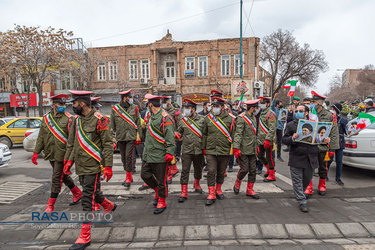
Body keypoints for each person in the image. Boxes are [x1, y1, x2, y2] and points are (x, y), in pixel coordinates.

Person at [64, 91, 116, 250]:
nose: (72, 106)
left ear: (82, 103)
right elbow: (72, 143)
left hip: (94, 166)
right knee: (93, 193)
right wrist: (68, 160)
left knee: (87, 198)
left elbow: (107, 144)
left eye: (74, 103)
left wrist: (108, 166)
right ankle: (109, 205)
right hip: (80, 166)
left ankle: (85, 236)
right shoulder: (76, 121)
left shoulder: (101, 120)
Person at [32, 94, 82, 213]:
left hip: (63, 154)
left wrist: (70, 158)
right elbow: (41, 137)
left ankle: (51, 205)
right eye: (61, 104)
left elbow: (72, 140)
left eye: (64, 104)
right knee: (62, 176)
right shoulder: (46, 118)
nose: (63, 107)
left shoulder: (70, 119)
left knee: (56, 177)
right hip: (51, 153)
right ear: (54, 105)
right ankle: (77, 192)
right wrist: (36, 152)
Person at [141, 94, 176, 214]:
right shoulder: (151, 116)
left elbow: (170, 137)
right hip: (148, 154)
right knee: (144, 175)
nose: (147, 107)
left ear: (150, 104)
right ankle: (156, 191)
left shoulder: (165, 118)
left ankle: (162, 199)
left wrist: (170, 152)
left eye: (148, 105)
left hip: (160, 155)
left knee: (162, 180)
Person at [282, 104, 318, 213]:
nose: (298, 113)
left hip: (310, 158)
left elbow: (318, 140)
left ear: (306, 113)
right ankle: (302, 201)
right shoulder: (290, 125)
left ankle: (299, 193)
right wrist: (292, 138)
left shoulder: (314, 125)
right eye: (296, 111)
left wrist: (324, 140)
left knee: (307, 179)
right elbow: (284, 139)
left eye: (301, 111)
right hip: (296, 157)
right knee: (297, 181)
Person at [304, 91, 339, 197]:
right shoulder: (309, 113)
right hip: (310, 145)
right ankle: (308, 187)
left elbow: (334, 132)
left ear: (319, 103)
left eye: (313, 101)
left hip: (323, 147)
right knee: (309, 167)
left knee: (323, 167)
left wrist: (332, 148)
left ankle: (322, 185)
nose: (311, 103)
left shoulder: (330, 115)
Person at [202, 96, 235, 205]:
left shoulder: (230, 119)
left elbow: (233, 134)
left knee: (221, 172)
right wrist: (204, 148)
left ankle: (218, 189)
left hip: (224, 150)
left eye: (217, 106)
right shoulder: (208, 118)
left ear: (222, 107)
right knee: (211, 171)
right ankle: (211, 192)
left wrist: (234, 148)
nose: (214, 108)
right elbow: (205, 134)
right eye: (213, 106)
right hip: (211, 150)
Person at [111, 89, 142, 189]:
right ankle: (128, 175)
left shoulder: (135, 108)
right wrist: (113, 139)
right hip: (120, 137)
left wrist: (139, 136)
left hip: (131, 136)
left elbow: (138, 123)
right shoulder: (115, 109)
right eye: (130, 97)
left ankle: (128, 178)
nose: (131, 99)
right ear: (125, 98)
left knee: (128, 156)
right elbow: (112, 126)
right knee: (123, 158)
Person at [177, 99, 205, 202]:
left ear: (193, 109)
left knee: (198, 169)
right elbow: (179, 131)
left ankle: (196, 184)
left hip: (198, 150)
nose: (186, 110)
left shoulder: (202, 120)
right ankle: (184, 192)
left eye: (188, 108)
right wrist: (177, 135)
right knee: (185, 170)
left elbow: (205, 134)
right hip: (187, 150)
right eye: (185, 108)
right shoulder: (183, 120)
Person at [233, 99, 260, 199]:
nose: (257, 110)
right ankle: (238, 182)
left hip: (252, 148)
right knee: (244, 169)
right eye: (256, 108)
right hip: (243, 148)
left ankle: (249, 190)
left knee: (253, 170)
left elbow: (254, 134)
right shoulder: (241, 118)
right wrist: (236, 148)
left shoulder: (253, 117)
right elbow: (238, 134)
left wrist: (256, 145)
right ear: (252, 108)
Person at [327, 103, 348, 186]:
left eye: (333, 108)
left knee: (339, 161)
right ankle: (325, 175)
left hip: (340, 143)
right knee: (329, 160)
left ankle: (338, 178)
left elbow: (347, 131)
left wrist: (354, 131)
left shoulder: (343, 120)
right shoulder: (329, 119)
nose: (331, 109)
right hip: (331, 143)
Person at [257, 96, 277, 182]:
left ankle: (272, 174)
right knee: (260, 155)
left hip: (267, 140)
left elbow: (272, 128)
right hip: (260, 139)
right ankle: (269, 169)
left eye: (263, 103)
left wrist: (268, 139)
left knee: (269, 157)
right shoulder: (262, 112)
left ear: (268, 104)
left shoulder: (271, 114)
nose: (261, 105)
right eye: (260, 103)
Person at [161, 96, 181, 179]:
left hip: (173, 135)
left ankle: (171, 171)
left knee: (171, 152)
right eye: (163, 103)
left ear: (169, 103)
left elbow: (180, 123)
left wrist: (178, 133)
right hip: (164, 136)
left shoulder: (176, 111)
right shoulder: (162, 112)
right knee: (168, 153)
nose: (163, 105)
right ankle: (173, 169)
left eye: (165, 103)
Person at [271, 93, 285, 162]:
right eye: (280, 103)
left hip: (280, 128)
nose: (281, 105)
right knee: (273, 142)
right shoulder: (274, 109)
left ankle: (279, 155)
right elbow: (272, 105)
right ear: (277, 104)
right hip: (274, 127)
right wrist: (274, 98)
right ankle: (272, 155)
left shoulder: (283, 111)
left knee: (279, 142)